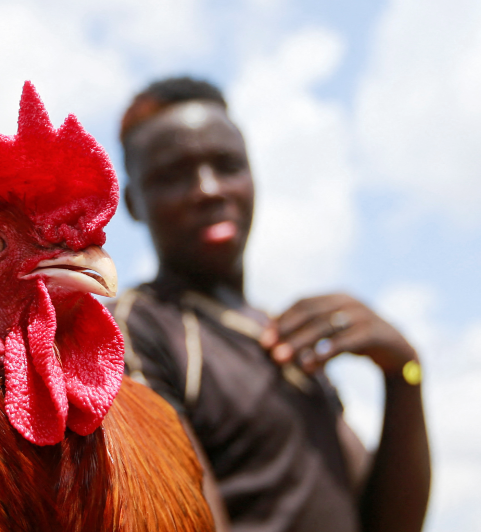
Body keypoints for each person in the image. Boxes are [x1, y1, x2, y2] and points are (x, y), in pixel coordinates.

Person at [115, 76, 430, 532]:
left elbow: (387, 525)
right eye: (173, 175)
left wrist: (404, 373)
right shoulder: (138, 328)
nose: (208, 189)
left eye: (227, 165)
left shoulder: (283, 334)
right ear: (133, 204)